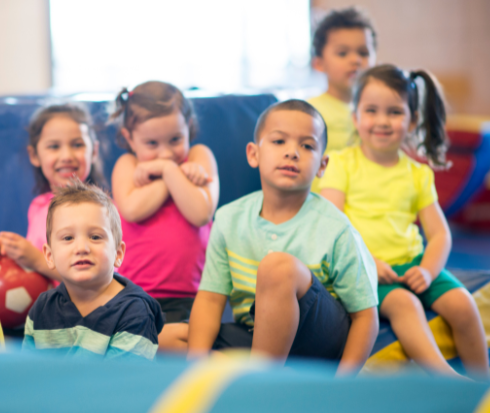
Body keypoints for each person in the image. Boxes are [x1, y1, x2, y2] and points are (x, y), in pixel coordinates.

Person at [320, 64, 489, 379]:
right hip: (362, 270)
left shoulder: (417, 173)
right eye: (371, 110)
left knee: (463, 304)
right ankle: (447, 380)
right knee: (404, 304)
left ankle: (482, 385)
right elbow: (332, 223)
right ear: (355, 117)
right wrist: (368, 260)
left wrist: (427, 269)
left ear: (411, 120)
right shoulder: (341, 164)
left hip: (411, 265)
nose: (382, 121)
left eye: (395, 112)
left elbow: (439, 234)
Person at [187, 99, 379, 375]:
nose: (292, 153)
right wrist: (196, 363)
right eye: (279, 142)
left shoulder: (336, 228)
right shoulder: (229, 219)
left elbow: (365, 316)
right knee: (172, 338)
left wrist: (341, 382)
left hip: (320, 345)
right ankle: (264, 374)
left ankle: (265, 387)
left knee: (277, 268)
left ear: (322, 165)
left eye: (307, 146)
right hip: (257, 336)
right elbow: (210, 300)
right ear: (254, 154)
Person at [110, 81, 220, 349]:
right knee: (137, 348)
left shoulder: (199, 155)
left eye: (175, 139)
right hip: (132, 294)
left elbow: (201, 212)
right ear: (129, 138)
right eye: (151, 143)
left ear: (189, 127)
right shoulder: (127, 164)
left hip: (193, 297)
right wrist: (175, 175)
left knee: (186, 347)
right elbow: (132, 208)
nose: (166, 153)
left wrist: (167, 171)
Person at [23, 179, 164, 360]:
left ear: (118, 253)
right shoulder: (42, 308)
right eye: (68, 238)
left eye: (95, 237)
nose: (82, 248)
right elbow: (27, 374)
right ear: (49, 256)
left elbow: (118, 384)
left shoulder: (135, 312)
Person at [0, 103, 105, 282]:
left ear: (94, 152)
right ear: (34, 155)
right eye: (54, 146)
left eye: (77, 144)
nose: (67, 155)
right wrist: (7, 249)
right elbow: (32, 264)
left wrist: (36, 260)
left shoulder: (101, 211)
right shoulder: (39, 206)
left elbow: (99, 278)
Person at [308, 7, 377, 192]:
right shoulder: (310, 112)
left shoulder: (380, 113)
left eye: (363, 53)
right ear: (319, 63)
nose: (356, 60)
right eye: (343, 53)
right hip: (323, 206)